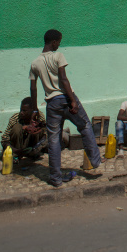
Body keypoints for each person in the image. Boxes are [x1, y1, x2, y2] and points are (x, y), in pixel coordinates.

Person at [29, 29, 103, 188]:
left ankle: (55, 178)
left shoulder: (35, 63)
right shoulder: (58, 56)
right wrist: (72, 101)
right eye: (59, 41)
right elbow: (63, 79)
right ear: (54, 42)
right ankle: (95, 160)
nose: (59, 44)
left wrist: (35, 109)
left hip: (51, 104)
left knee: (54, 140)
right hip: (66, 98)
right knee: (84, 125)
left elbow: (33, 89)